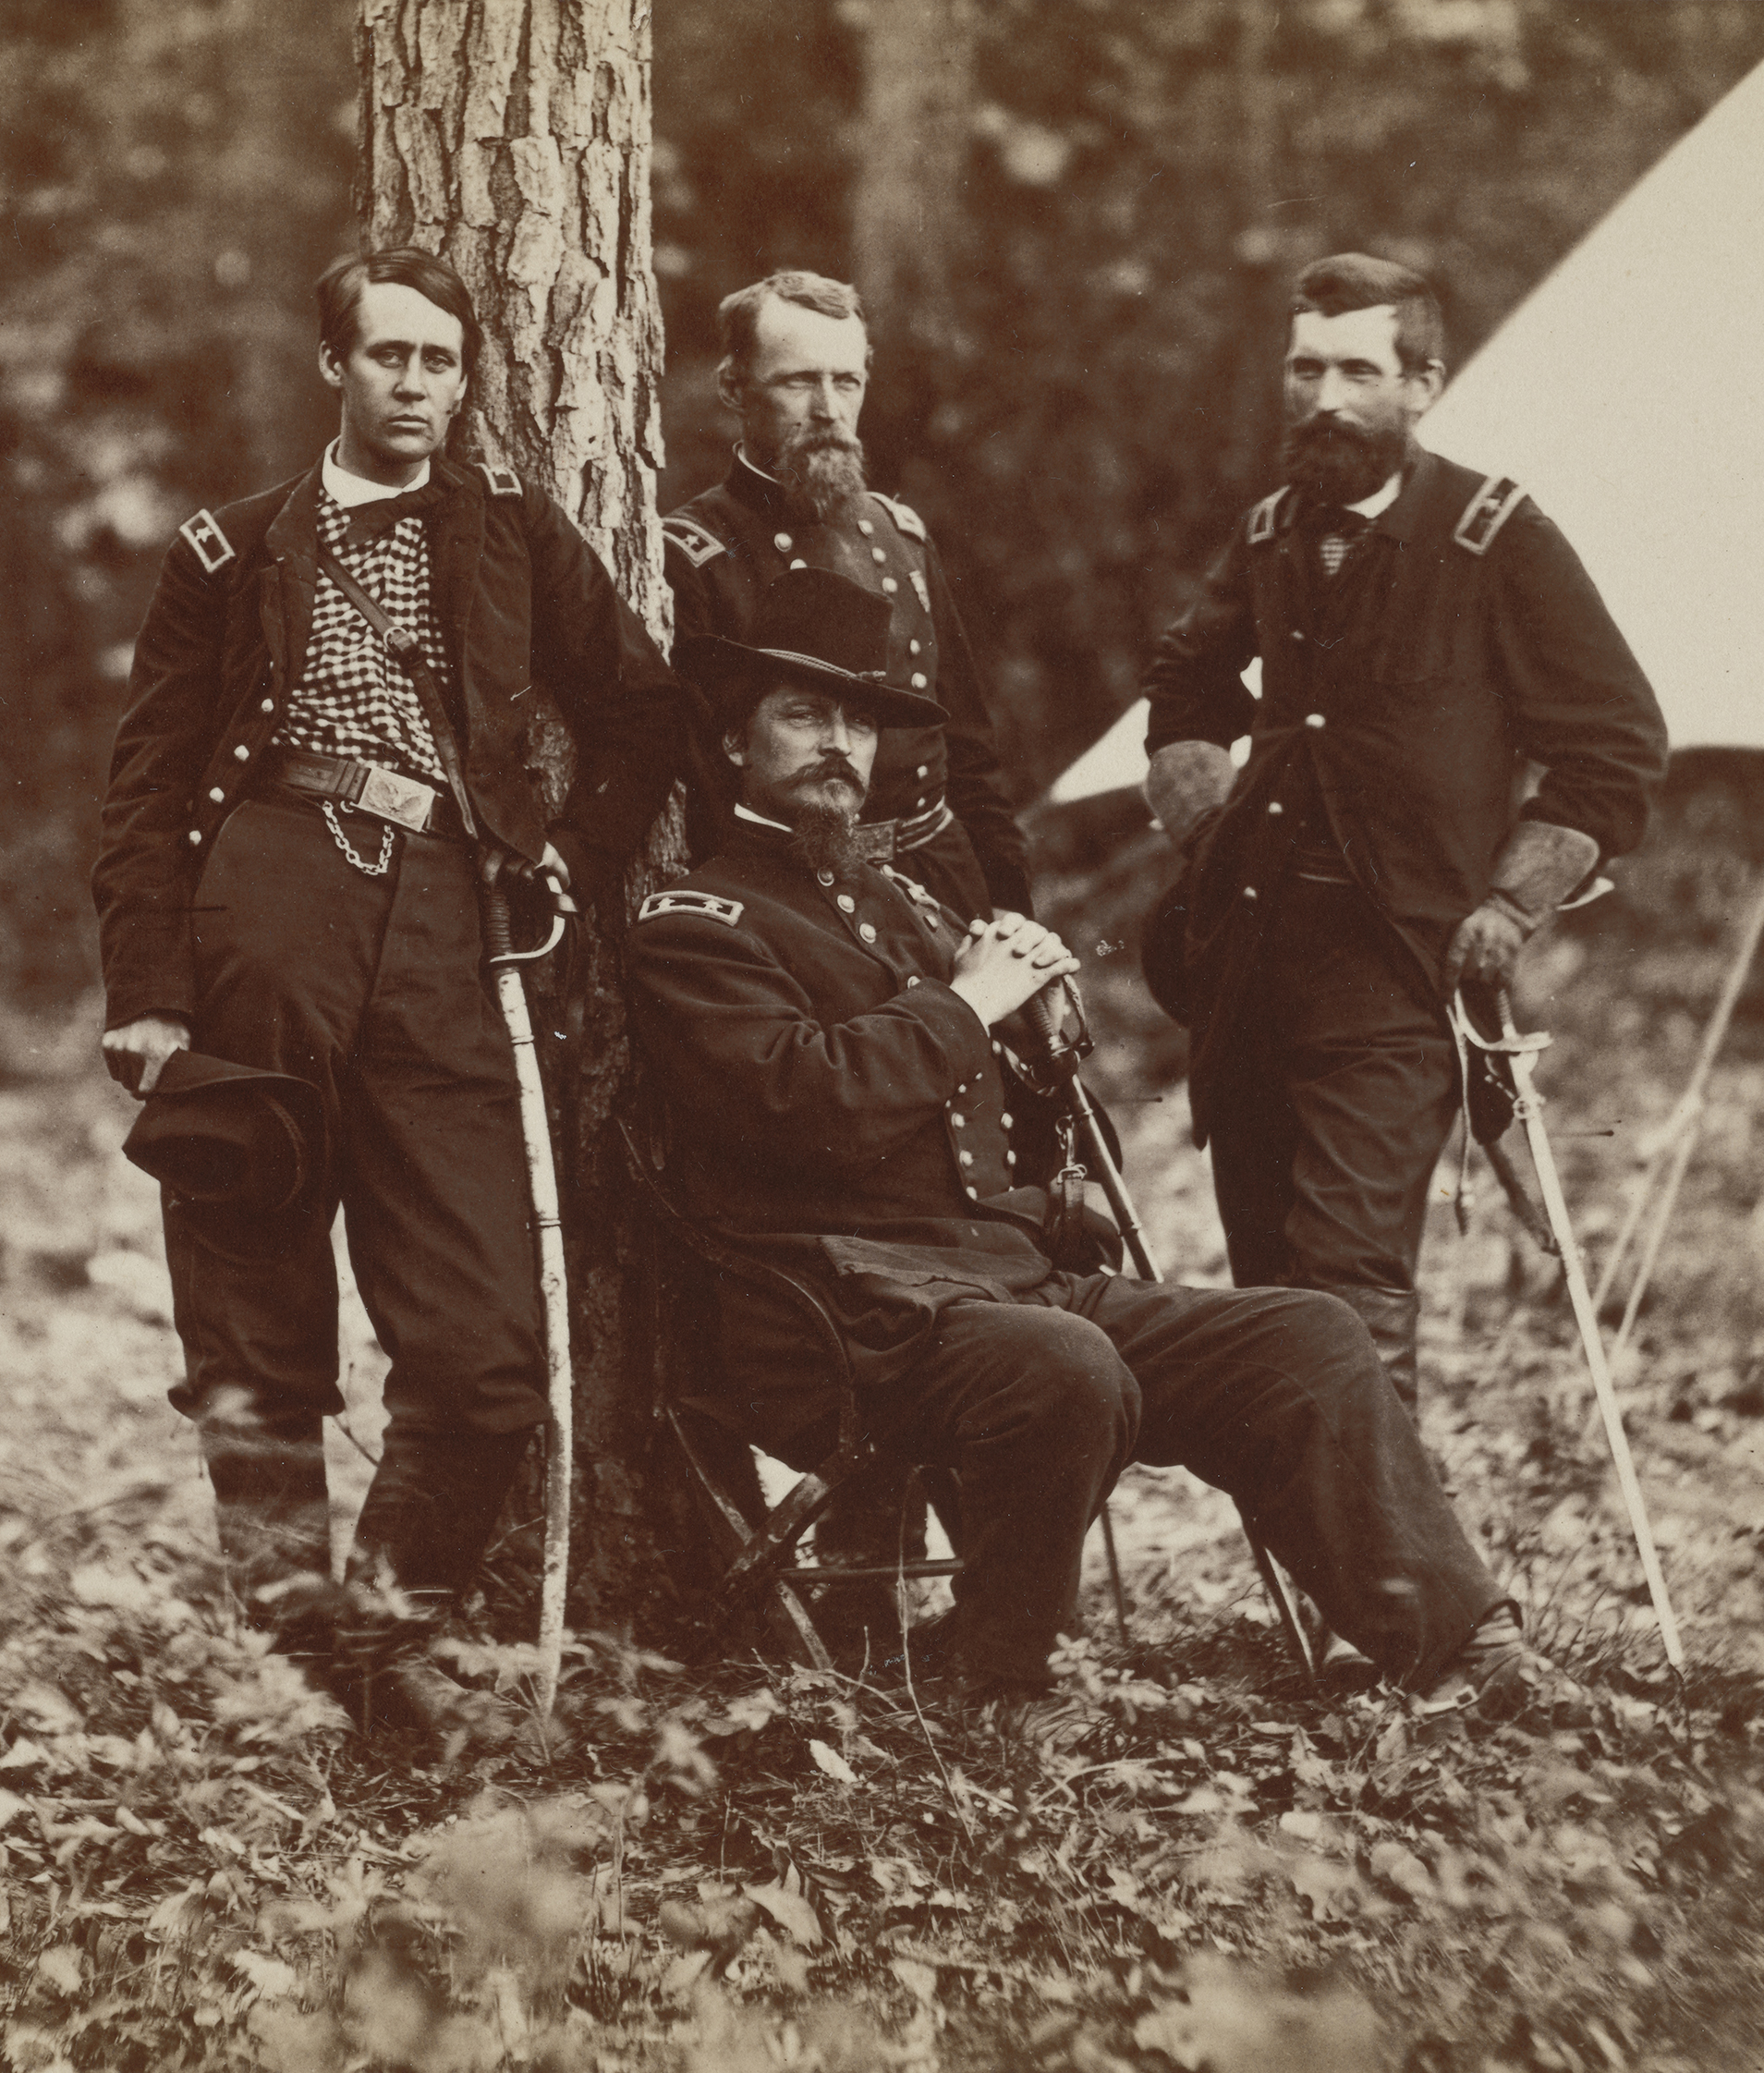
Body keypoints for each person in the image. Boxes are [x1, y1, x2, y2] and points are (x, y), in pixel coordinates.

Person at [627, 567, 1535, 1734]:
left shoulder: (904, 907)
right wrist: (966, 1005)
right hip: (829, 1318)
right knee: (1061, 1363)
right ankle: (998, 1686)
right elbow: (809, 1104)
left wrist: (1037, 1028)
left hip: (996, 1287)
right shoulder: (698, 923)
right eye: (804, 716)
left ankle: (1458, 1643)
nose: (839, 745)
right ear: (734, 735)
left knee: (1307, 1332)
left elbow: (996, 1131)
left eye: (856, 719)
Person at [91, 248, 688, 1739]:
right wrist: (152, 989)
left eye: (438, 360)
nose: (413, 384)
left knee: (486, 1345)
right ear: (331, 369)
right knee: (251, 1306)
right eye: (386, 356)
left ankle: (391, 1623)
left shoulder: (510, 532)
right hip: (267, 900)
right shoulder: (229, 552)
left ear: (465, 376)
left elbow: (639, 710)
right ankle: (309, 1660)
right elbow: (149, 783)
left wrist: (558, 852)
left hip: (450, 927)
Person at [1139, 253, 1668, 1409]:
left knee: (1347, 1281)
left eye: (1359, 371)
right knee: (1269, 1285)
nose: (1326, 398)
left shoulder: (1496, 535)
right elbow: (1184, 684)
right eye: (1306, 368)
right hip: (1254, 960)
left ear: (1423, 384)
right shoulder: (1273, 530)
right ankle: (1305, 1564)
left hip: (1399, 974)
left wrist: (1513, 902)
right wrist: (1205, 825)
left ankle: (1377, 1587)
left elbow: (1617, 741)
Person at [663, 271, 1026, 925]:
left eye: (846, 381)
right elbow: (706, 786)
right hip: (798, 896)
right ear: (732, 388)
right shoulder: (695, 552)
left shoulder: (901, 534)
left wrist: (1009, 903)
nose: (828, 408)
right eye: (798, 381)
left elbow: (967, 749)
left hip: (944, 879)